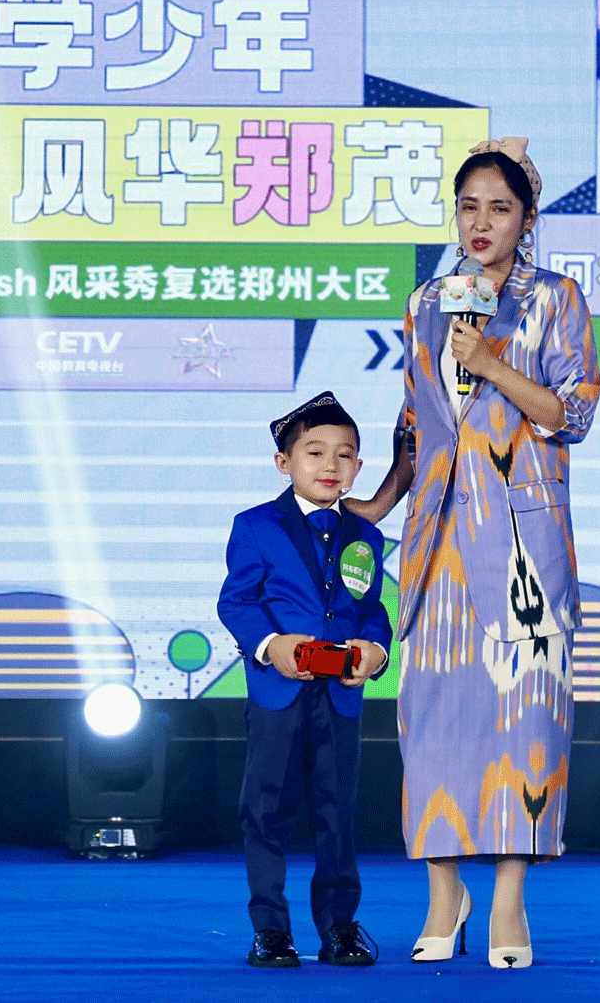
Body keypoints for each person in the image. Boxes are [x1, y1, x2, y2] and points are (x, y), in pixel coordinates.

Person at [347, 138, 600, 970]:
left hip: (523, 544)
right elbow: (417, 422)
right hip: (438, 543)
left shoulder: (555, 298)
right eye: (468, 207)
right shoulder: (428, 300)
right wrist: (378, 504)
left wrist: (491, 361)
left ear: (527, 218)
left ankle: (509, 900)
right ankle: (442, 894)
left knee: (526, 724)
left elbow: (570, 413)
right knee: (434, 724)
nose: (481, 222)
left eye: (499, 207)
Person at [216, 391, 393, 969]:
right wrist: (272, 646)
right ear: (284, 462)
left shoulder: (365, 535)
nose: (330, 465)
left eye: (345, 454)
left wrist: (375, 650)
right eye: (314, 452)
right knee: (266, 810)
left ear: (359, 467)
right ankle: (270, 930)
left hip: (340, 696)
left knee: (336, 812)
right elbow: (236, 601)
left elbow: (371, 608)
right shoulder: (255, 525)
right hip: (279, 692)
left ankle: (339, 927)